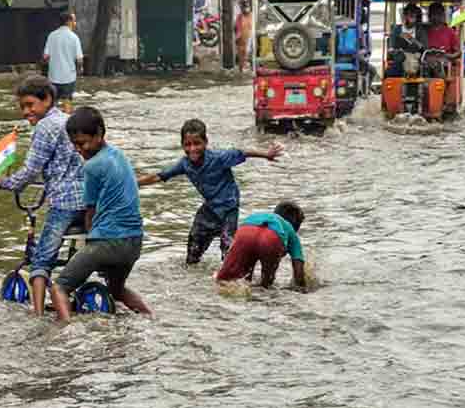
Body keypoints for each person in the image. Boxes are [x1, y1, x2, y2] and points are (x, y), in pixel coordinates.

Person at [50, 107, 153, 320]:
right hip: (134, 242)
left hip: (108, 241)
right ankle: (150, 317)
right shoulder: (118, 155)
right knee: (117, 290)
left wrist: (90, 241)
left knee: (59, 288)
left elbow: (90, 211)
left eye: (83, 142)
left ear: (99, 134)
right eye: (75, 144)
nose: (79, 149)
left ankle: (65, 331)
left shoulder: (92, 166)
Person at [0, 75, 85, 316]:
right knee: (74, 251)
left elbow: (32, 168)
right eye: (22, 106)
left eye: (30, 105)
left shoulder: (46, 127)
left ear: (47, 100)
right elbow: (60, 164)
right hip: (87, 201)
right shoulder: (68, 120)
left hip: (64, 203)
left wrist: (8, 183)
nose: (25, 112)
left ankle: (37, 315)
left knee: (41, 261)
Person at [137, 118, 284, 265]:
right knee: (193, 248)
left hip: (229, 209)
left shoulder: (219, 158)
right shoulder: (184, 164)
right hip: (210, 208)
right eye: (187, 144)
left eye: (197, 143)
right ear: (182, 145)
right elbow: (159, 176)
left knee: (228, 250)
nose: (192, 149)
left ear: (205, 143)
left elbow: (243, 153)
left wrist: (266, 154)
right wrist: (134, 183)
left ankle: (227, 279)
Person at [215, 201, 306, 289]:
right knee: (266, 284)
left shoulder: (258, 216)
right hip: (271, 238)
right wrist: (301, 287)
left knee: (228, 279)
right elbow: (298, 269)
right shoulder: (290, 229)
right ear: (295, 224)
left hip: (245, 232)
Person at [43, 11, 84, 101]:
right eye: (74, 21)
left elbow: (45, 57)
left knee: (53, 102)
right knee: (67, 102)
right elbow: (79, 59)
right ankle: (66, 115)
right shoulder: (74, 37)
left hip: (53, 77)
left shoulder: (52, 36)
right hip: (68, 77)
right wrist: (80, 69)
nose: (75, 23)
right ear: (68, 22)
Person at [387, 3, 428, 77]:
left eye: (414, 14)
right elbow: (391, 48)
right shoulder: (397, 29)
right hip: (400, 57)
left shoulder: (420, 30)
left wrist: (411, 39)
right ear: (405, 15)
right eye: (410, 13)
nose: (412, 16)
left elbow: (424, 48)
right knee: (393, 68)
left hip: (416, 58)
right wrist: (395, 51)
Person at [235, 0, 253, 72]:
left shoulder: (252, 15)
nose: (246, 8)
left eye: (247, 7)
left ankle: (246, 66)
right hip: (242, 39)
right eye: (244, 7)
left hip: (250, 37)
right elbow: (237, 28)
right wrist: (237, 37)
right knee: (242, 54)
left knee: (247, 52)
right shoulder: (239, 17)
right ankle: (242, 68)